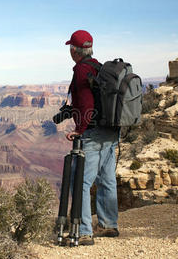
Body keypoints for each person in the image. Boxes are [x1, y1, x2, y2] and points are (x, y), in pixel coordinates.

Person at [65, 30, 120, 246]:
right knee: (106, 180)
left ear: (74, 50)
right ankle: (108, 225)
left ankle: (84, 231)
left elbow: (87, 103)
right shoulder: (99, 67)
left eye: (71, 47)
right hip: (110, 130)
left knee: (80, 181)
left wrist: (80, 129)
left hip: (94, 133)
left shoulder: (81, 70)